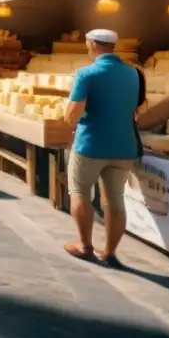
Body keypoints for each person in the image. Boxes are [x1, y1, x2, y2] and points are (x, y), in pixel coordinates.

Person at [63, 29, 144, 269]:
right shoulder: (133, 74)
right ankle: (109, 252)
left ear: (92, 44)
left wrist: (66, 112)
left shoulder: (86, 73)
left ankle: (85, 245)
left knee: (79, 191)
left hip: (91, 145)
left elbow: (72, 116)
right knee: (115, 199)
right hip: (124, 146)